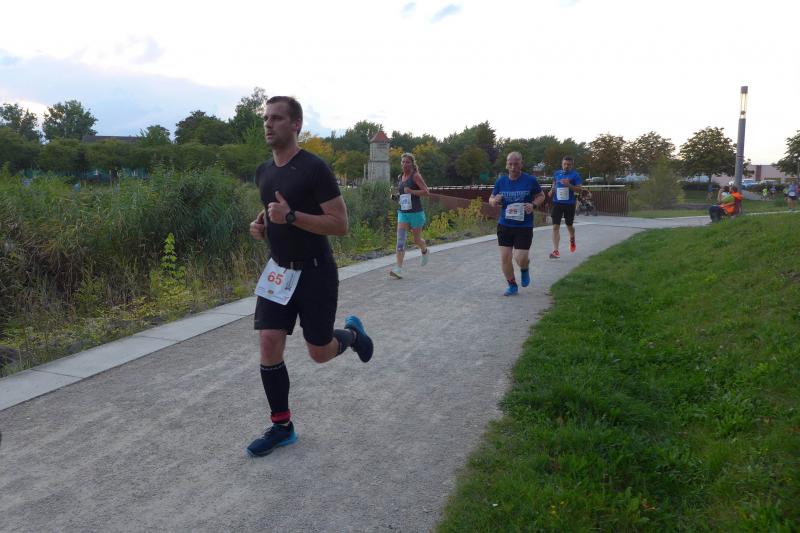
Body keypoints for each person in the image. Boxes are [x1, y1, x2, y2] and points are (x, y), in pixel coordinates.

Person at [246, 96, 374, 457]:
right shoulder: (263, 171)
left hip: (315, 273)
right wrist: (261, 224)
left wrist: (290, 217)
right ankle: (282, 426)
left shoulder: (314, 168)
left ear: (296, 124)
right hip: (278, 272)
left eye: (277, 118)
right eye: (266, 118)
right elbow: (273, 207)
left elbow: (340, 224)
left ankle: (352, 335)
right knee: (268, 343)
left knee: (319, 352)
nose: (268, 124)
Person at [488, 152, 545, 296]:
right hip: (505, 225)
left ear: (521, 164)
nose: (513, 167)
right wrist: (494, 201)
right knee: (505, 257)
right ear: (506, 165)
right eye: (510, 164)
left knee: (520, 258)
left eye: (516, 164)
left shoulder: (530, 180)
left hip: (523, 226)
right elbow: (491, 199)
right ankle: (512, 285)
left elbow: (541, 196)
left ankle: (524, 268)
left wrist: (533, 205)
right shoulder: (501, 181)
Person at [389, 153, 430, 279]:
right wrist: (396, 197)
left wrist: (412, 191)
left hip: (416, 213)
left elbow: (426, 192)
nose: (404, 164)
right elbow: (403, 194)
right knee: (400, 241)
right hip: (403, 213)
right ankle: (398, 269)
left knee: (416, 240)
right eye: (403, 162)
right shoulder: (400, 176)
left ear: (412, 164)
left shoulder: (416, 176)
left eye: (407, 162)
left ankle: (424, 250)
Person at [548, 155, 583, 258]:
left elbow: (580, 190)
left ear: (572, 165)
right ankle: (555, 251)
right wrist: (551, 191)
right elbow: (553, 187)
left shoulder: (575, 175)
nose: (566, 166)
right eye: (565, 164)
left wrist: (569, 185)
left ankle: (572, 238)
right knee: (555, 227)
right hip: (557, 203)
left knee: (569, 225)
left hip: (569, 204)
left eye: (569, 164)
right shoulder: (556, 174)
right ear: (562, 164)